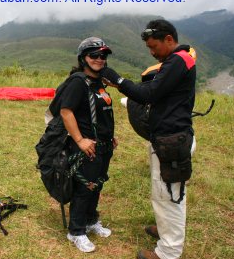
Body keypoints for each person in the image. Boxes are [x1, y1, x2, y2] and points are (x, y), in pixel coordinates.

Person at [99, 20, 196, 259]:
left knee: (168, 196)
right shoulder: (175, 61)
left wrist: (119, 81)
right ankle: (166, 230)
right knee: (168, 193)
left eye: (154, 47)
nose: (152, 52)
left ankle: (168, 252)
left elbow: (148, 95)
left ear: (169, 40)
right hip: (168, 138)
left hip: (171, 141)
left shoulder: (178, 60)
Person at [60, 37, 118, 253]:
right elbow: (66, 111)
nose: (99, 59)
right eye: (94, 55)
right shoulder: (78, 81)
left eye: (103, 55)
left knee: (97, 184)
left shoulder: (98, 82)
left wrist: (109, 136)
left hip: (103, 146)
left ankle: (91, 221)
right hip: (86, 148)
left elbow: (101, 112)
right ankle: (75, 231)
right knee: (85, 188)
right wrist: (80, 140)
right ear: (83, 58)